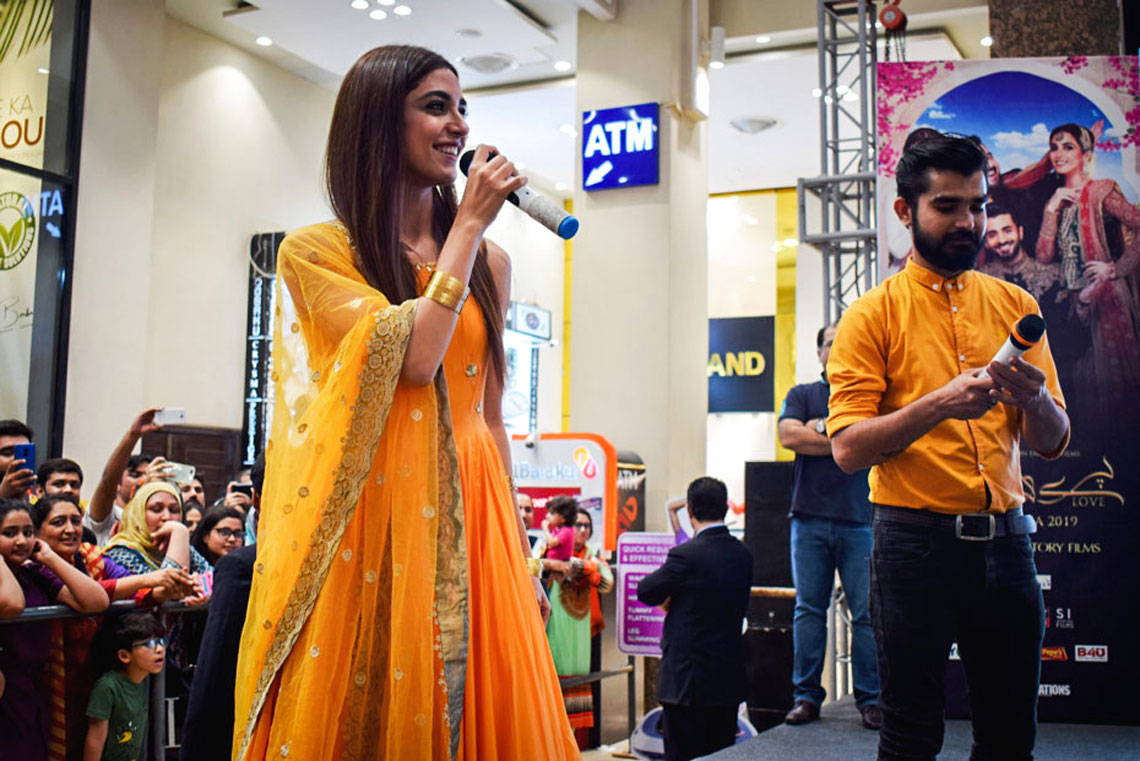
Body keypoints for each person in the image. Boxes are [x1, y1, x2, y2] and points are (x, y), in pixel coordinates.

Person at [232, 44, 578, 761]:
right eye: (435, 106)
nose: (458, 125)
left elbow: (489, 414)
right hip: (374, 509)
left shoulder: (492, 264)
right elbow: (416, 361)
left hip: (475, 505)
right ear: (378, 122)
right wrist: (468, 226)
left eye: (462, 108)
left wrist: (519, 551)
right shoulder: (318, 254)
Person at [827, 132, 1069, 761]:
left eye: (978, 205)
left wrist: (1035, 400)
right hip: (912, 546)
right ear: (905, 211)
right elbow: (848, 448)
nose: (968, 222)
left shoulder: (1015, 304)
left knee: (1011, 737)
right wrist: (940, 403)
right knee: (910, 737)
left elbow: (1053, 440)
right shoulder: (871, 315)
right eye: (947, 206)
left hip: (1008, 544)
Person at [777, 325, 880, 730]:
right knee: (808, 611)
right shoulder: (801, 394)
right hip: (809, 520)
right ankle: (806, 697)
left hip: (860, 521)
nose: (836, 349)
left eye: (843, 343)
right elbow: (789, 435)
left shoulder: (869, 395)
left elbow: (873, 443)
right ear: (819, 352)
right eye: (829, 343)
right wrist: (842, 438)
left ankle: (870, 700)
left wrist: (818, 428)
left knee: (866, 614)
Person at [636, 477, 752, 761]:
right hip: (726, 681)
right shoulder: (743, 554)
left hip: (687, 684)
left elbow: (646, 591)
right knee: (721, 754)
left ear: (689, 510)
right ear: (725, 507)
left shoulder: (686, 555)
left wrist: (672, 597)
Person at [1033, 122, 1140, 407]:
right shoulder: (1057, 199)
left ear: (1087, 154)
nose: (1059, 154)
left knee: (1114, 379)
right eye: (1054, 147)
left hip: (1106, 298)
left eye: (1068, 147)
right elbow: (1043, 256)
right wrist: (1050, 209)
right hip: (1072, 303)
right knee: (1083, 385)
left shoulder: (1099, 191)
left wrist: (1115, 269)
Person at [0, 498, 109, 761]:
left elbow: (97, 601)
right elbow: (13, 604)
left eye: (28, 532)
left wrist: (48, 557)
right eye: (10, 533)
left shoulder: (35, 574)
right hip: (5, 693)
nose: (21, 541)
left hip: (33, 692)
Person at [180, 455, 264, 761]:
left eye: (236, 533)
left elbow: (214, 681)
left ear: (256, 499)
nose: (231, 539)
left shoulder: (242, 566)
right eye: (223, 532)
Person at [543, 506, 613, 744]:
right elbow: (532, 568)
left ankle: (570, 747)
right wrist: (557, 565)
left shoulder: (592, 556)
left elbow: (607, 583)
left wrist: (584, 567)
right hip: (556, 627)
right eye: (577, 525)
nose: (582, 530)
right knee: (553, 681)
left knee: (578, 682)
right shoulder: (551, 550)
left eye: (587, 526)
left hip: (581, 632)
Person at [84, 612, 166, 761]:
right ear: (124, 655)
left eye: (161, 642)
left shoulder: (141, 681)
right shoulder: (107, 686)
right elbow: (95, 737)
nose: (159, 649)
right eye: (149, 644)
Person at [85, 410, 163, 546]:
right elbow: (107, 482)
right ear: (117, 484)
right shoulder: (109, 516)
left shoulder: (159, 519)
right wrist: (133, 435)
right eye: (135, 475)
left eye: (148, 474)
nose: (144, 480)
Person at [102, 481, 210, 576]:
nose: (167, 517)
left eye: (174, 510)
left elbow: (214, 582)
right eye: (157, 509)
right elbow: (168, 588)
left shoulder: (181, 545)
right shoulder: (120, 552)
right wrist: (179, 531)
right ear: (138, 515)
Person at [0, 419, 35, 500]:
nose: (17, 459)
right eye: (8, 453)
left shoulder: (35, 491)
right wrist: (3, 494)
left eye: (24, 453)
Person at [541, 494, 578, 563]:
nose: (547, 516)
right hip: (553, 560)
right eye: (548, 512)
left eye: (552, 513)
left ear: (564, 518)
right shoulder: (558, 529)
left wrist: (545, 529)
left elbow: (552, 542)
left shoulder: (566, 531)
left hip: (561, 564)